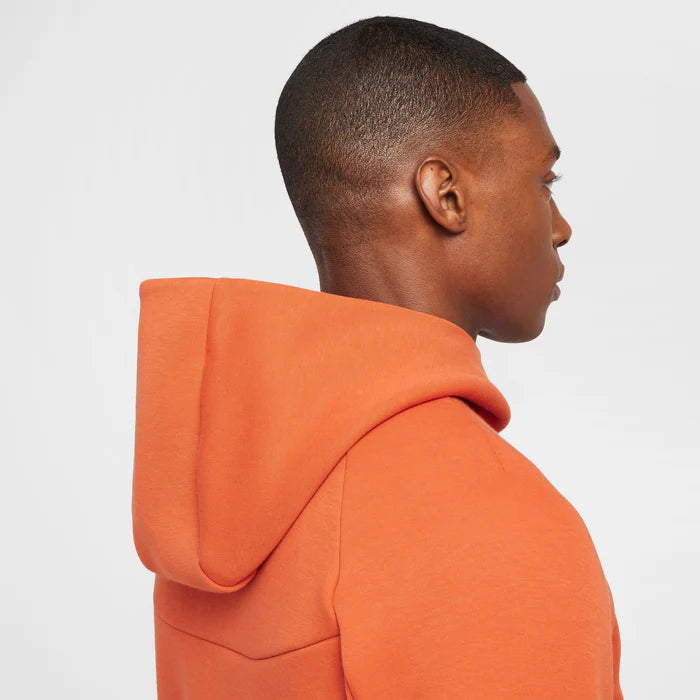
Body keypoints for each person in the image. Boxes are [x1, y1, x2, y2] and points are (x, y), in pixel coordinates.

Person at [132, 15, 623, 698]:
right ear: (446, 196)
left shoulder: (224, 491)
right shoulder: (484, 522)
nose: (561, 228)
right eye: (546, 180)